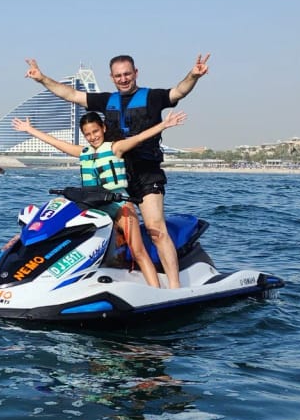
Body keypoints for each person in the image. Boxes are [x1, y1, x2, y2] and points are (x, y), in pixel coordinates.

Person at [23, 53, 210, 288]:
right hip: (115, 178)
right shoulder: (106, 100)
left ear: (136, 73)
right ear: (112, 77)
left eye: (127, 74)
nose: (123, 79)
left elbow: (178, 92)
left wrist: (193, 75)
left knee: (155, 229)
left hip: (146, 174)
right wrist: (41, 78)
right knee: (106, 229)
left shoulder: (152, 97)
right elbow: (70, 94)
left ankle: (174, 289)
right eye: (118, 75)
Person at [10, 111, 186, 288]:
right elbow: (56, 143)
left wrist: (164, 124)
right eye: (87, 134)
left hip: (119, 205)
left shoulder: (115, 148)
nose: (92, 137)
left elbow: (140, 138)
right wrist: (29, 129)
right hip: (94, 208)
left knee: (138, 251)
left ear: (103, 128)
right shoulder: (83, 152)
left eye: (95, 131)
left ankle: (155, 291)